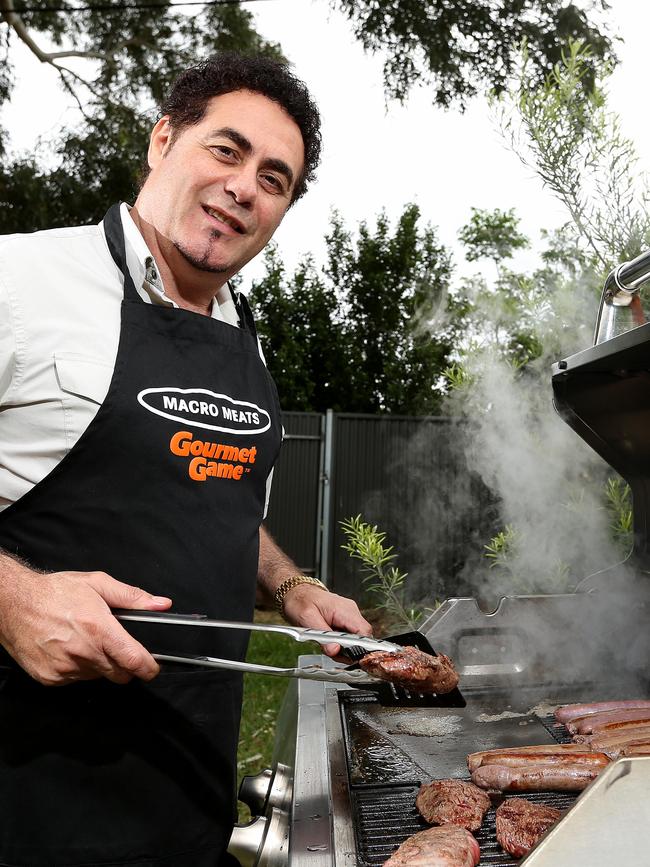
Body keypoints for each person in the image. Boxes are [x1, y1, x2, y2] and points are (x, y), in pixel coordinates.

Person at [0, 52, 372, 867]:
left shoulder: (246, 350)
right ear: (162, 139)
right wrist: (13, 596)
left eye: (275, 179)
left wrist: (292, 586)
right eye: (227, 150)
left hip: (186, 816)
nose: (246, 186)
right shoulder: (21, 281)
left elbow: (219, 498)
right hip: (25, 815)